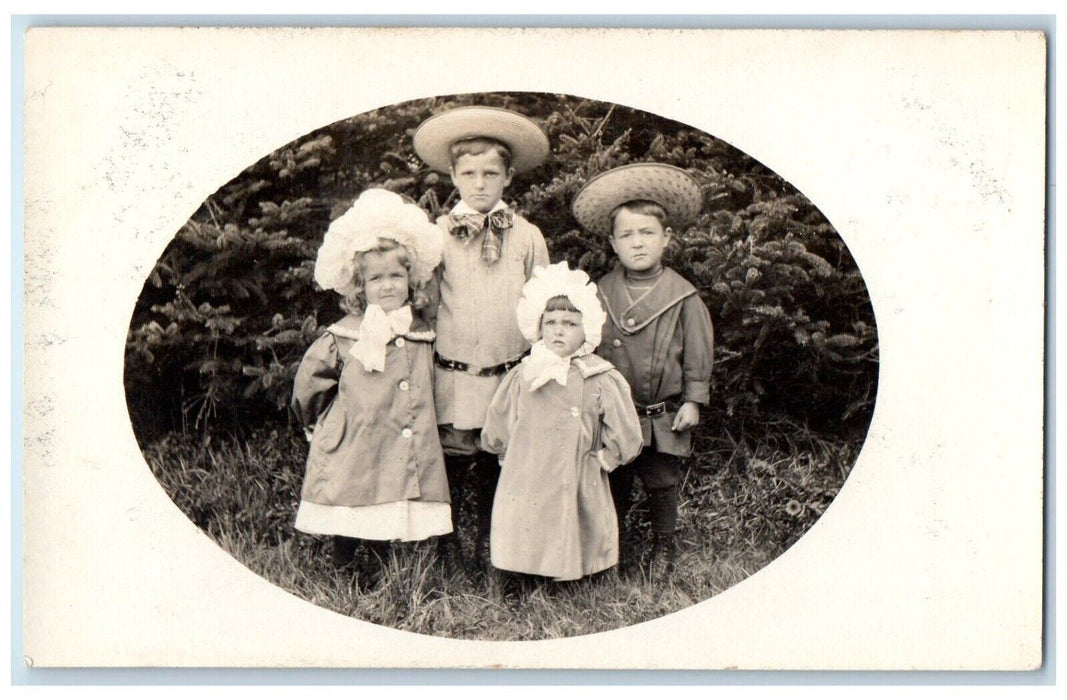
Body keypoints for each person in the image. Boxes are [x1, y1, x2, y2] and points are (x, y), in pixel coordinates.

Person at [412, 105, 551, 568]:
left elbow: (545, 302)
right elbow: (426, 302)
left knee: (498, 458)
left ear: (508, 176)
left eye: (490, 172)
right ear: (452, 175)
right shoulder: (436, 235)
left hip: (507, 372)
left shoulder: (528, 236)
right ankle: (447, 543)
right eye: (468, 173)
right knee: (452, 456)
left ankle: (492, 545)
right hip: (454, 371)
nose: (479, 183)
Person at [290, 188, 450, 585]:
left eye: (397, 276)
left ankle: (378, 569)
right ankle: (344, 568)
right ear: (360, 286)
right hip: (354, 438)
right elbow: (311, 381)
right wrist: (315, 423)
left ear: (411, 280)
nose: (388, 286)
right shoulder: (343, 336)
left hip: (397, 440)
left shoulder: (421, 332)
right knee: (351, 503)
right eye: (376, 279)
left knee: (385, 506)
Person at [572, 163, 715, 583]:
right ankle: (609, 552)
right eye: (627, 235)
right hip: (613, 409)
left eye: (647, 233)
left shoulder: (683, 296)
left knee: (660, 477)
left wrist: (693, 399)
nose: (638, 243)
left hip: (660, 411)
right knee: (611, 477)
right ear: (613, 243)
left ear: (667, 238)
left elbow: (698, 353)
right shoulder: (599, 293)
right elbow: (587, 345)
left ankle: (663, 547)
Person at [480, 262, 643, 582]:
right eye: (550, 321)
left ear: (587, 330)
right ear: (538, 326)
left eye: (569, 323)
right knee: (525, 519)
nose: (558, 330)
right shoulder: (524, 373)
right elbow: (500, 419)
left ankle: (574, 573)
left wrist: (607, 456)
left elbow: (625, 430)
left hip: (576, 469)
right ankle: (521, 574)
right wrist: (504, 451)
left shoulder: (599, 376)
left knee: (575, 519)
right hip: (527, 469)